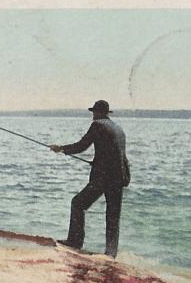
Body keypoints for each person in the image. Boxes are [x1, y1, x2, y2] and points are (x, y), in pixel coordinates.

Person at [49, 100, 130, 258]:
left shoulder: (98, 125)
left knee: (78, 203)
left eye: (94, 112)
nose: (93, 116)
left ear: (98, 112)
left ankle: (75, 241)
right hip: (120, 177)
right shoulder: (118, 128)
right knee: (113, 215)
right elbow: (115, 154)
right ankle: (111, 253)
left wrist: (61, 149)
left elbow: (82, 146)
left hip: (104, 177)